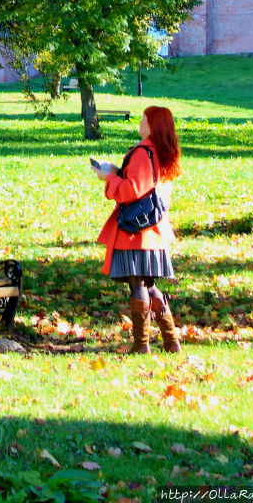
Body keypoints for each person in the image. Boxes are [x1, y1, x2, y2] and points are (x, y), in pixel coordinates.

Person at [92, 105, 182, 355]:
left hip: (137, 232)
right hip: (153, 229)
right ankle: (171, 341)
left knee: (138, 285)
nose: (141, 123)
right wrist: (117, 171)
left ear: (152, 125)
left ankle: (141, 345)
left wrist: (108, 179)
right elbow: (146, 184)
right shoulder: (162, 151)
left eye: (144, 119)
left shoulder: (144, 151)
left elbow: (132, 190)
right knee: (149, 284)